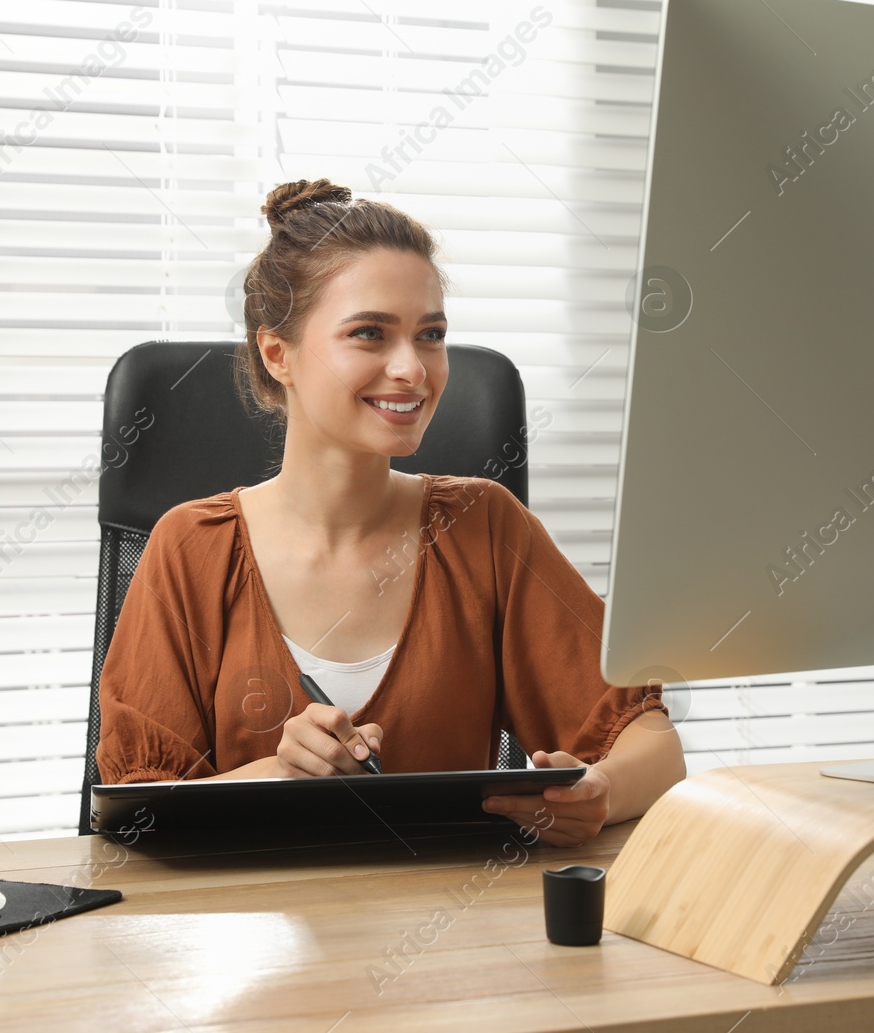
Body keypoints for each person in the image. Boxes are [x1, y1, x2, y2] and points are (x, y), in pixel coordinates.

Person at [95, 178, 686, 846]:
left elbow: (655, 748)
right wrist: (278, 776)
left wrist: (599, 793)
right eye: (370, 334)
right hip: (248, 943)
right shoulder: (190, 548)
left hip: (457, 935)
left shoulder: (485, 527)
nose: (413, 368)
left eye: (429, 335)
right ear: (277, 353)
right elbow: (134, 810)